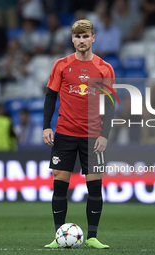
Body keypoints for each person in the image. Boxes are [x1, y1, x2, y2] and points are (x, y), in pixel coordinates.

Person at [43, 19, 115, 249]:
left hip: (93, 136)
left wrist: (105, 134)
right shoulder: (62, 65)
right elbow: (51, 96)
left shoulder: (104, 68)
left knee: (94, 184)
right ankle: (58, 236)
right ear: (72, 39)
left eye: (86, 36)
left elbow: (110, 104)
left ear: (93, 38)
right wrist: (46, 126)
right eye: (78, 37)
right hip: (64, 133)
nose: (82, 40)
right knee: (59, 182)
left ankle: (92, 236)